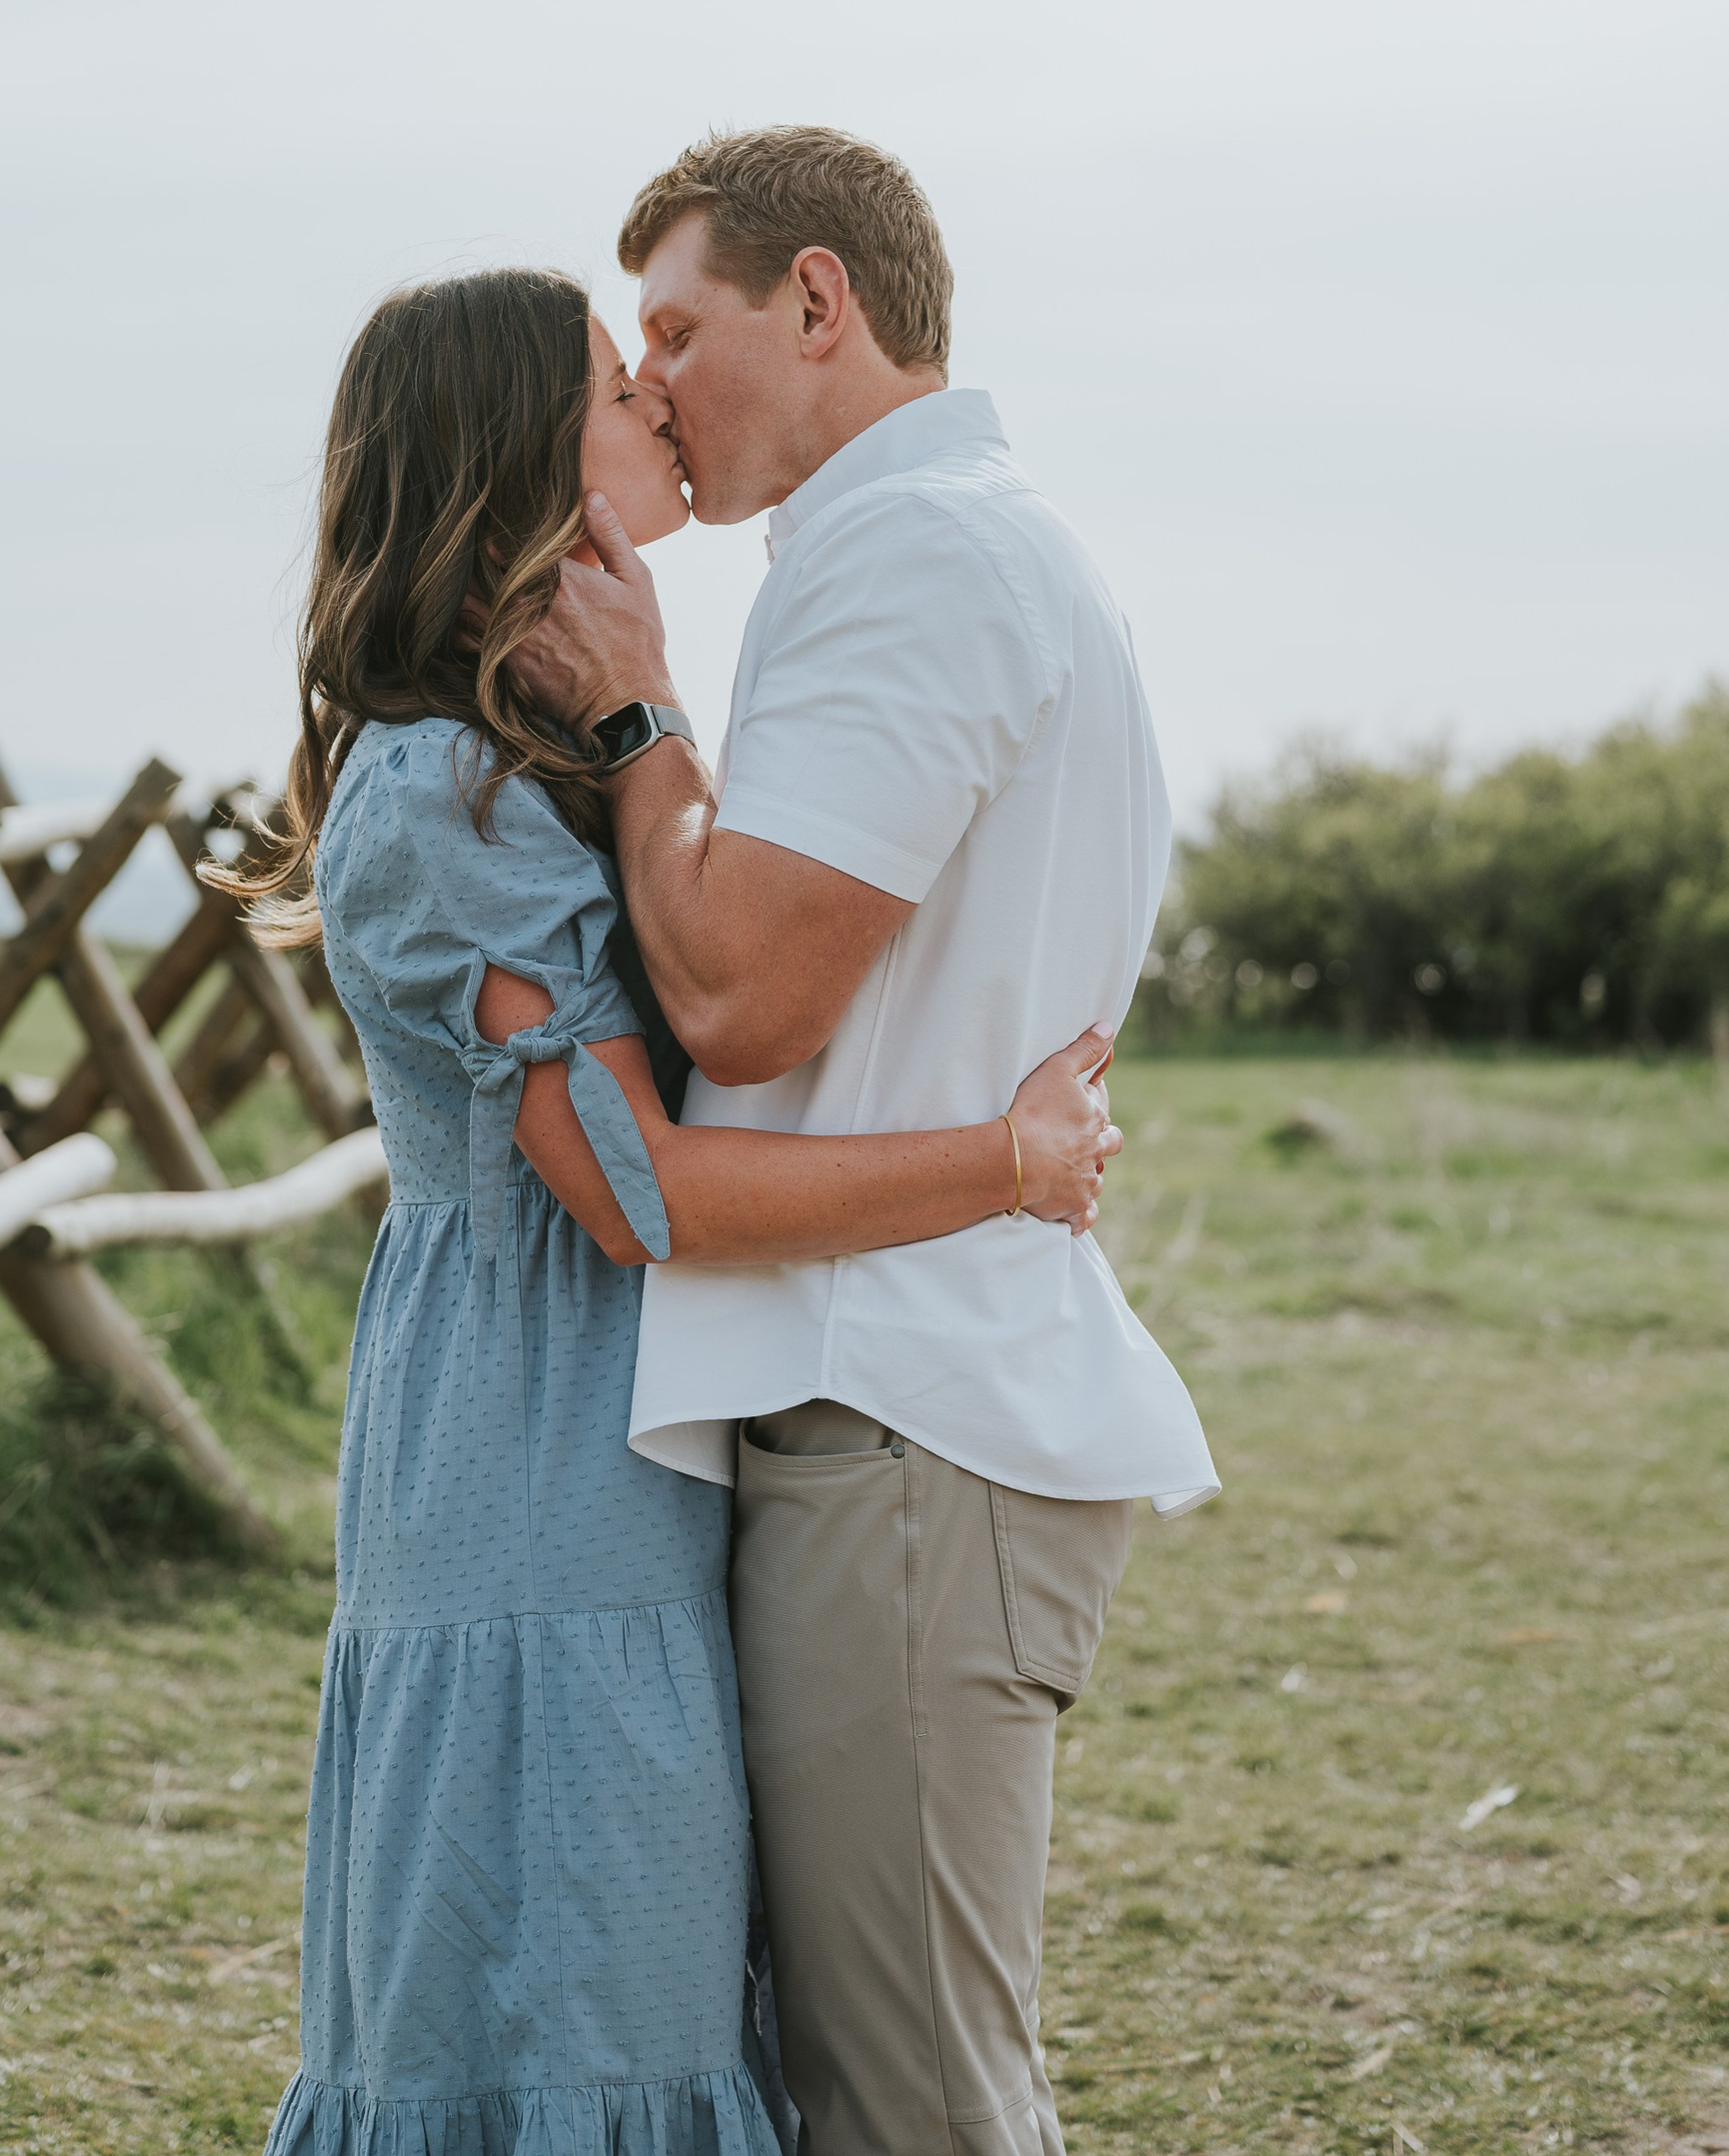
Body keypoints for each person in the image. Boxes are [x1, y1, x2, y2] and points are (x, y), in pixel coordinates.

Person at [243, 263, 1121, 2156]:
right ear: (506, 455)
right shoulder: (437, 799)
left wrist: (648, 720)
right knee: (566, 2012)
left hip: (612, 1449)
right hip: (526, 1477)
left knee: (634, 2001)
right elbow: (640, 1189)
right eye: (603, 377)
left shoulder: (536, 750)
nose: (651, 395)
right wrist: (1010, 1159)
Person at [509, 126, 1220, 2156]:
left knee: (906, 2108)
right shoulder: (922, 545)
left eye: (677, 327)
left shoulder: (919, 555)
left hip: (904, 1417)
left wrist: (643, 723)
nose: (646, 388)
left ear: (816, 301)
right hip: (888, 1406)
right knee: (884, 2082)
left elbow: (741, 996)